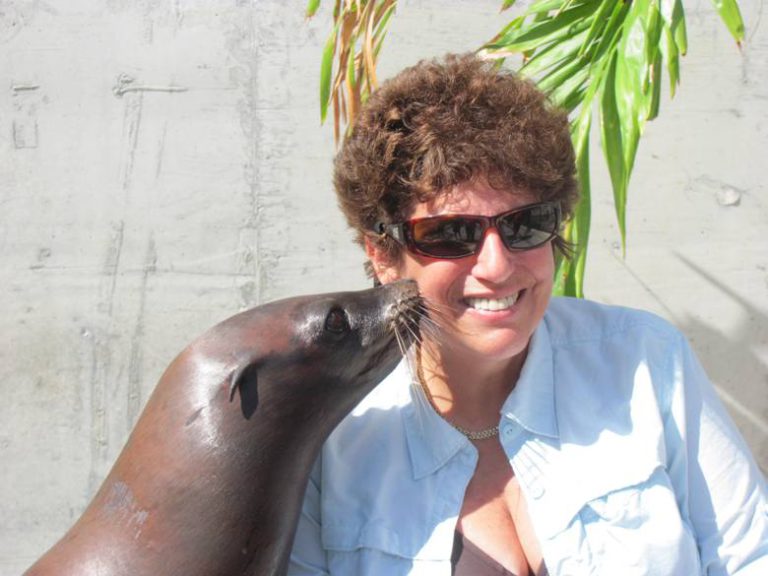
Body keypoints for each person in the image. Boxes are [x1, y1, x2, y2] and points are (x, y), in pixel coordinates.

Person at [288, 54, 768, 575]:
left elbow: (750, 556)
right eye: (451, 233)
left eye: (525, 225)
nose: (496, 265)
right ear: (383, 254)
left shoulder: (646, 364)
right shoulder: (331, 441)